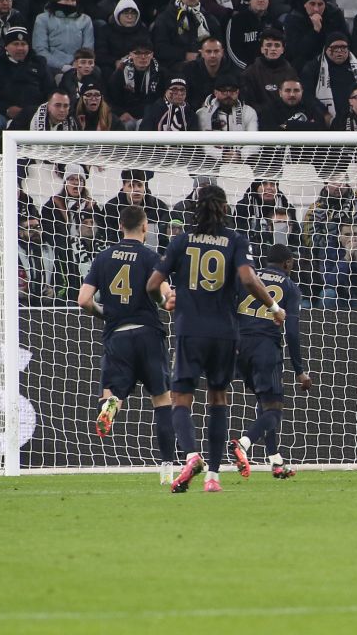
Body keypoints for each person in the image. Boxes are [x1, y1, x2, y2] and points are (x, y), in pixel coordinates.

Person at [147, 185, 285, 494]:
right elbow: (248, 278)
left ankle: (191, 454)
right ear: (224, 208)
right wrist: (274, 307)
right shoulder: (235, 240)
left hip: (189, 329)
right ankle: (213, 476)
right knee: (218, 399)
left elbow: (153, 283)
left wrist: (165, 300)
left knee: (180, 399)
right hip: (224, 332)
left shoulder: (181, 241)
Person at [76, 206, 178, 485]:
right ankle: (167, 470)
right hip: (147, 333)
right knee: (162, 400)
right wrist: (168, 300)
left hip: (117, 334)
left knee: (113, 393)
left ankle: (111, 405)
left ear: (120, 226)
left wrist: (105, 314)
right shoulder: (150, 257)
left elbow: (84, 299)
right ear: (145, 228)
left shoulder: (103, 257)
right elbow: (167, 295)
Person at [230, 243, 310, 480]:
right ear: (287, 263)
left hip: (240, 348)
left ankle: (276, 461)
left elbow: (230, 308)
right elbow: (292, 331)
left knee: (264, 403)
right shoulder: (290, 287)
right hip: (265, 348)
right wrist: (300, 371)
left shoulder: (249, 278)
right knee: (274, 409)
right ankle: (243, 443)